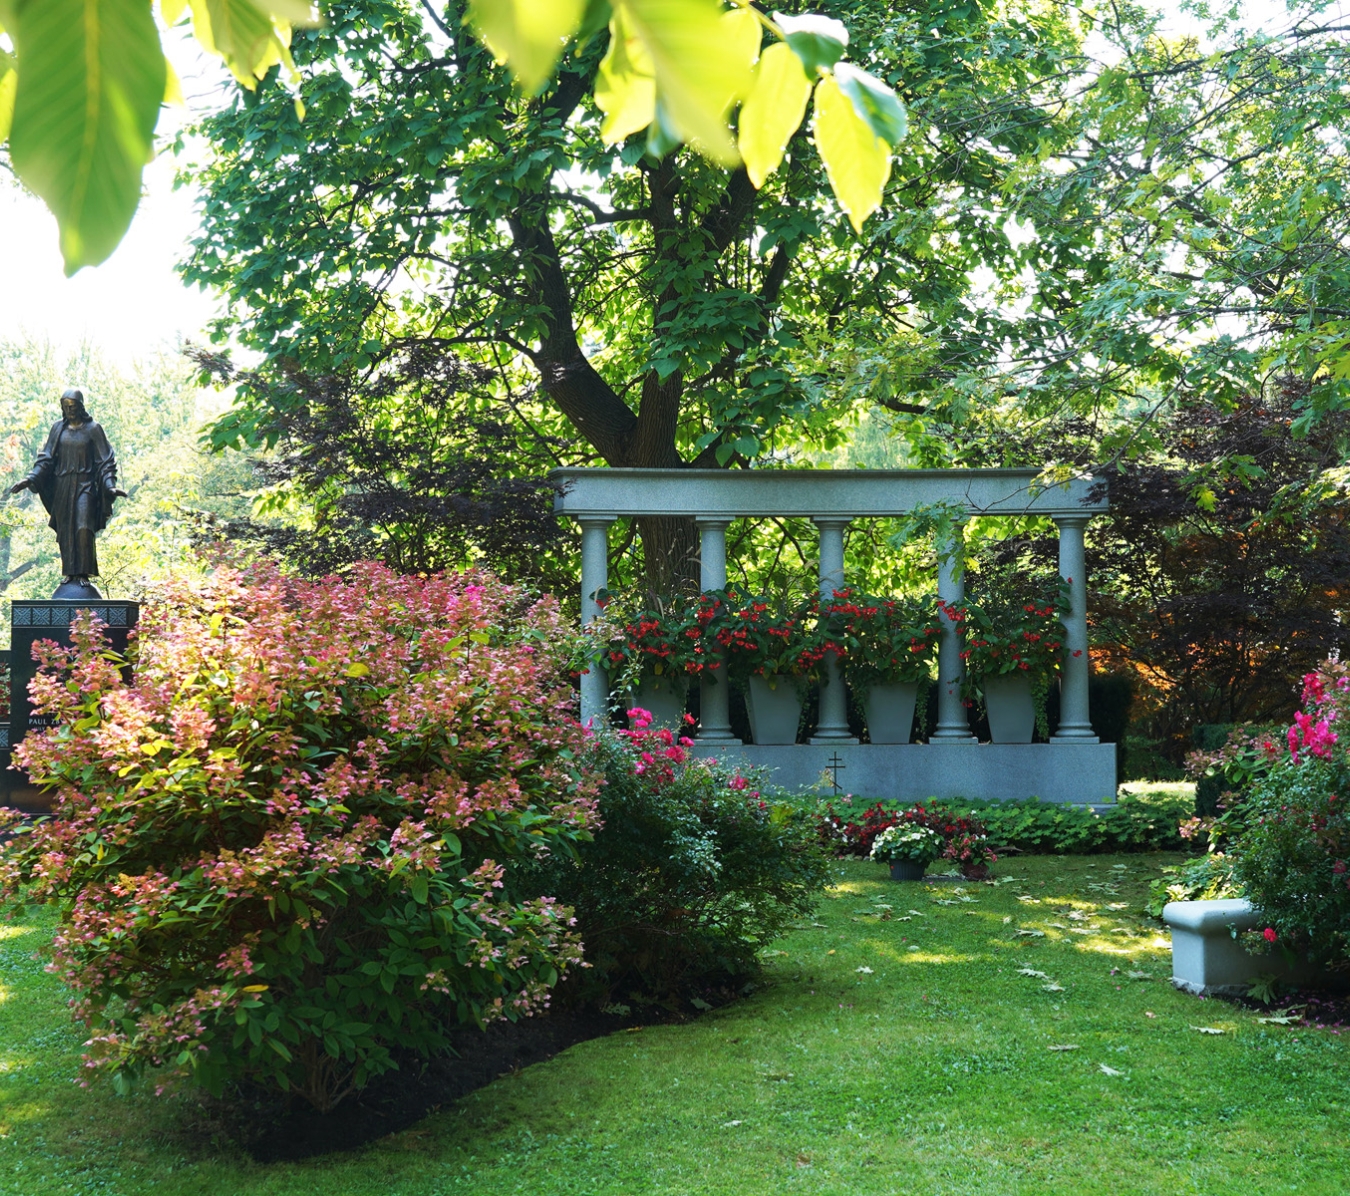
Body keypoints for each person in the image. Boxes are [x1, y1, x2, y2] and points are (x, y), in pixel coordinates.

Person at [11, 389, 127, 588]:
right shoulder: (58, 429)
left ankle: (83, 572)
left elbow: (105, 462)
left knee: (83, 527)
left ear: (80, 407)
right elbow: (46, 459)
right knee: (66, 530)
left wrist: (110, 487)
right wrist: (30, 480)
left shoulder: (93, 429)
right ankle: (70, 573)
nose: (70, 410)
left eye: (73, 407)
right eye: (66, 407)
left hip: (86, 486)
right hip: (63, 487)